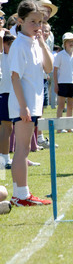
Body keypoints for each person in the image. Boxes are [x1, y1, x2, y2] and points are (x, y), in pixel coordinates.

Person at [9, 0, 53, 207]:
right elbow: (15, 77)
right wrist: (24, 106)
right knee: (22, 150)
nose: (37, 26)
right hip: (22, 104)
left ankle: (21, 194)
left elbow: (48, 68)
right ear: (20, 20)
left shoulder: (35, 42)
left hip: (32, 103)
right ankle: (21, 195)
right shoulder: (18, 45)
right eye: (32, 22)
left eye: (40, 22)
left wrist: (42, 42)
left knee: (24, 149)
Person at [54, 33, 73, 133]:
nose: (71, 43)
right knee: (61, 105)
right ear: (64, 43)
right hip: (62, 83)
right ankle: (59, 127)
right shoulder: (60, 55)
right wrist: (56, 84)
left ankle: (69, 127)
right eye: (69, 41)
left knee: (70, 106)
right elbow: (55, 70)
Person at [0, 32, 16, 170]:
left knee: (6, 128)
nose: (12, 47)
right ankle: (4, 159)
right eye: (9, 44)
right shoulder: (2, 56)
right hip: (5, 94)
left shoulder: (13, 57)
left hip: (10, 94)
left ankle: (4, 159)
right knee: (7, 128)